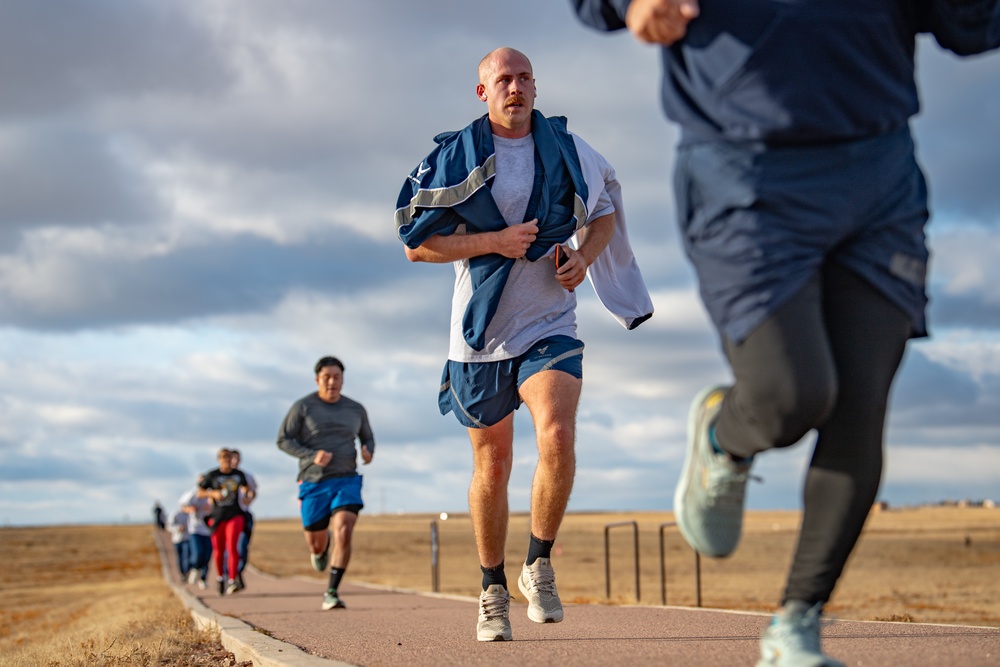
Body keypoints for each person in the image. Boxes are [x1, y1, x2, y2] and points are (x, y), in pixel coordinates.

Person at [569, 1, 1000, 665]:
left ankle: (797, 622)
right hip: (744, 172)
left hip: (878, 172)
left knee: (861, 405)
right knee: (794, 394)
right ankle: (725, 435)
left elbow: (969, 23)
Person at [395, 47, 652, 642]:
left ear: (536, 86)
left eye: (524, 77)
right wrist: (494, 241)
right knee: (493, 462)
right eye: (503, 79)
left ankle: (537, 562)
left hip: (549, 322)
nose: (516, 87)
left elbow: (605, 209)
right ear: (482, 92)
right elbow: (416, 245)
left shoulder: (568, 147)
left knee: (557, 432)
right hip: (480, 335)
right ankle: (491, 588)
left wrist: (584, 258)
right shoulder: (453, 157)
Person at [277, 356, 375, 611]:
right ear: (317, 379)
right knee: (316, 542)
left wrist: (368, 450)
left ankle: (331, 591)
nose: (332, 382)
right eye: (326, 377)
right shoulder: (303, 407)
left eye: (337, 377)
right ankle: (321, 550)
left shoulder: (356, 408)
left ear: (343, 379)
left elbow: (368, 437)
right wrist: (311, 456)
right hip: (313, 481)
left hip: (347, 478)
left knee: (344, 528)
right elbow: (283, 439)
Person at [198, 448, 251, 596]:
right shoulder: (212, 475)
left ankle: (233, 579)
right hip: (217, 516)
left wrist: (247, 495)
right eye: (223, 458)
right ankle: (220, 577)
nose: (226, 460)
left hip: (235, 514)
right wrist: (212, 493)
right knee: (219, 549)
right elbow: (200, 491)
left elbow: (247, 487)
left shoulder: (238, 475)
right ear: (218, 459)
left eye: (228, 457)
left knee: (233, 546)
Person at [229, 448, 258, 591]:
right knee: (231, 548)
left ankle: (238, 572)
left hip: (243, 514)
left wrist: (249, 498)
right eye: (232, 458)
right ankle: (231, 577)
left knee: (243, 548)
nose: (234, 462)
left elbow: (253, 490)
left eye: (237, 459)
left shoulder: (245, 476)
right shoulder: (221, 476)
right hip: (228, 516)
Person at [180, 475, 214, 590]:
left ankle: (203, 579)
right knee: (198, 554)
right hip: (195, 529)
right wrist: (190, 509)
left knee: (207, 555)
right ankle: (195, 568)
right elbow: (182, 505)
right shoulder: (192, 494)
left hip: (209, 530)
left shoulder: (211, 494)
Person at [167, 504, 191, 581]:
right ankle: (182, 573)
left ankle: (187, 571)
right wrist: (178, 528)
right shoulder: (175, 514)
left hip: (188, 538)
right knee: (180, 557)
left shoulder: (190, 515)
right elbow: (169, 526)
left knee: (187, 555)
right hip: (177, 539)